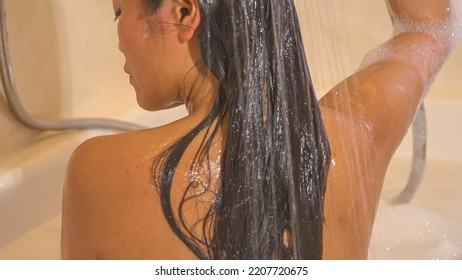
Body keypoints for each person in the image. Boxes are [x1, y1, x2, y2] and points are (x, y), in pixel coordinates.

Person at [61, 0, 459, 259]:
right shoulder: (351, 141)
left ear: (183, 13)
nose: (118, 40)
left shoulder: (101, 171)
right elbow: (428, 28)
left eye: (118, 12)